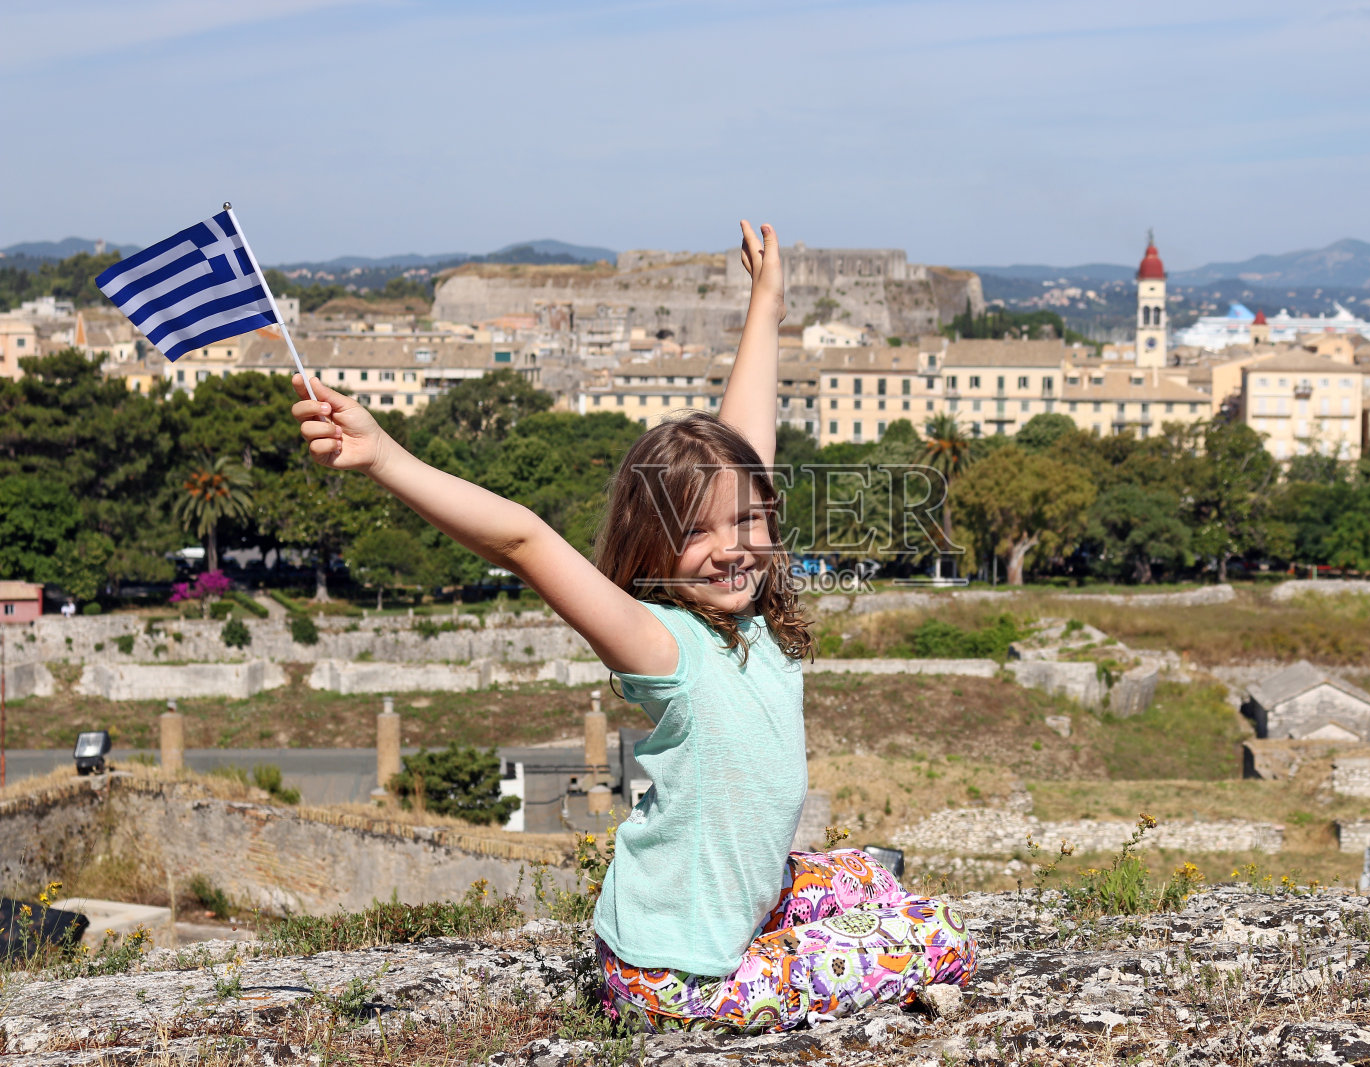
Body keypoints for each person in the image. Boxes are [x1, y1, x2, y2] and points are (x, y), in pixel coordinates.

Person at [290, 221, 976, 1033]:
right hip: (676, 975)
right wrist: (385, 458)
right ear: (652, 548)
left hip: (696, 927)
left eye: (747, 520)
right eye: (697, 533)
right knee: (939, 932)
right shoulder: (664, 642)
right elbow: (522, 540)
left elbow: (743, 446)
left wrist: (766, 304)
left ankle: (798, 942)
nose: (732, 547)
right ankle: (801, 968)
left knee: (869, 873)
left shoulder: (752, 609)